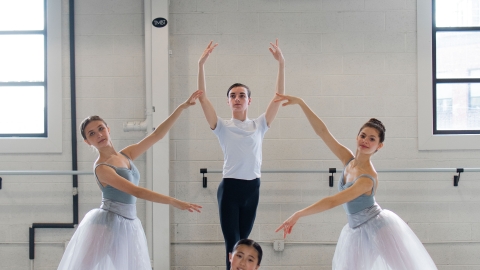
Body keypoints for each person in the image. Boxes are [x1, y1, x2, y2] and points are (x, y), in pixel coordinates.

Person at [274, 94, 437, 270]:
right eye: (363, 135)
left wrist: (298, 214)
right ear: (357, 136)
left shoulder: (367, 179)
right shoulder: (348, 159)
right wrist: (301, 103)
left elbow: (332, 201)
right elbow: (322, 132)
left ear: (379, 146)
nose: (365, 141)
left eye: (372, 139)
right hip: (356, 230)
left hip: (379, 228)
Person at [57, 91, 203, 270]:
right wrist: (174, 201)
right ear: (88, 142)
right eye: (92, 134)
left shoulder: (126, 154)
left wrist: (181, 108)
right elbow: (136, 191)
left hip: (128, 222)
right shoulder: (102, 168)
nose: (99, 135)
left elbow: (156, 135)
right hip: (108, 223)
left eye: (101, 129)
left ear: (108, 129)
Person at [197, 39, 285, 269]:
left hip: (252, 189)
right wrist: (201, 65)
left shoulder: (260, 125)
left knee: (245, 248)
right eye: (233, 96)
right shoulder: (222, 126)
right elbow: (202, 98)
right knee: (233, 246)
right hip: (230, 190)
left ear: (249, 100)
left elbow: (278, 97)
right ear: (228, 101)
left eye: (241, 95)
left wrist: (281, 64)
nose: (237, 99)